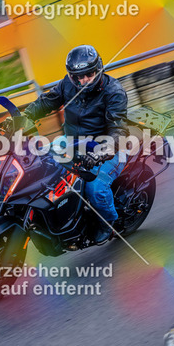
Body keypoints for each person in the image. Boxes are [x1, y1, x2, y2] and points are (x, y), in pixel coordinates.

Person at [23, 45, 129, 243]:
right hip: (72, 143)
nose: (83, 80)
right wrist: (25, 116)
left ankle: (108, 224)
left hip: (108, 149)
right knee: (40, 165)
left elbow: (118, 130)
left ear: (98, 69)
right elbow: (47, 101)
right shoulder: (67, 84)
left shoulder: (114, 92)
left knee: (95, 188)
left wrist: (101, 152)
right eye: (78, 76)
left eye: (89, 74)